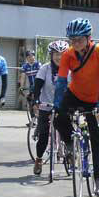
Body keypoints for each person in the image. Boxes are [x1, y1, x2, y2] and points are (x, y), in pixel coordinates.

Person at [53, 18, 99, 197]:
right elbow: (62, 81)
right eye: (72, 40)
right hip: (76, 94)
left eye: (79, 39)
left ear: (88, 38)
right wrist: (57, 104)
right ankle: (71, 143)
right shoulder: (68, 55)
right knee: (58, 118)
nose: (75, 43)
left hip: (97, 97)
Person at [31, 40, 69, 176]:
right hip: (46, 104)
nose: (59, 57)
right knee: (43, 135)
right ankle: (39, 159)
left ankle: (70, 152)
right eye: (56, 54)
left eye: (62, 54)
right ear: (51, 55)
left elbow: (73, 88)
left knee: (67, 131)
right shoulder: (45, 68)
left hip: (63, 106)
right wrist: (35, 100)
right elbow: (38, 85)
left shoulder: (70, 69)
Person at [20, 50, 41, 125]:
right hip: (32, 87)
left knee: (37, 102)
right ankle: (33, 120)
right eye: (29, 56)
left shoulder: (38, 64)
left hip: (40, 86)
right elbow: (23, 76)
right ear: (27, 58)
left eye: (32, 56)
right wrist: (21, 86)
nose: (31, 58)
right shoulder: (25, 66)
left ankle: (41, 119)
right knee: (30, 102)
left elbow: (40, 75)